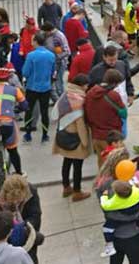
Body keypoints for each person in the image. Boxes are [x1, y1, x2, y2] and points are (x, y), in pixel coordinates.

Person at [52, 74, 92, 202]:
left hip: (63, 133)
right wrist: (85, 142)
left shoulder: (66, 94)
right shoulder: (78, 101)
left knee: (66, 162)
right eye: (86, 85)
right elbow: (80, 125)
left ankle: (66, 187)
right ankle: (77, 191)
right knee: (77, 166)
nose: (87, 88)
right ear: (81, 86)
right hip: (75, 138)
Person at [0, 175, 43, 263]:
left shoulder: (31, 192)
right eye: (12, 200)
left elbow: (35, 215)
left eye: (19, 200)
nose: (15, 203)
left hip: (27, 233)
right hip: (8, 238)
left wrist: (23, 228)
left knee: (31, 259)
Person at [85, 69, 127, 169]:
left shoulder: (90, 92)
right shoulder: (114, 95)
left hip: (96, 135)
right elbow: (124, 114)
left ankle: (101, 182)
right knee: (116, 164)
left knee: (101, 162)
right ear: (114, 83)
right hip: (111, 137)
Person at [22, 32, 56, 143]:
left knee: (29, 110)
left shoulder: (31, 55)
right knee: (44, 111)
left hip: (32, 87)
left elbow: (25, 72)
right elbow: (52, 71)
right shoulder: (51, 55)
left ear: (36, 42)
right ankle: (45, 135)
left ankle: (28, 134)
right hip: (46, 87)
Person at [100, 180, 139, 262]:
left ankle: (109, 245)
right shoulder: (136, 200)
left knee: (116, 261)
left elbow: (105, 206)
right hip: (134, 237)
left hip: (117, 238)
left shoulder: (113, 206)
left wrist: (104, 196)